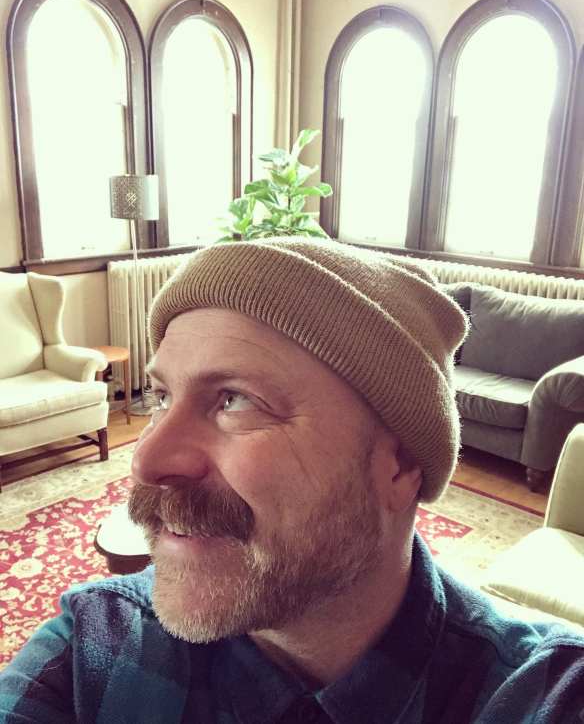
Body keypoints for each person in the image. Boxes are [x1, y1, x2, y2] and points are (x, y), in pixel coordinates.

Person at [1, 237, 583, 724]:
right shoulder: (91, 652)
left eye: (235, 400)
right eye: (162, 397)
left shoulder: (543, 697)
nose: (146, 461)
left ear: (401, 464)